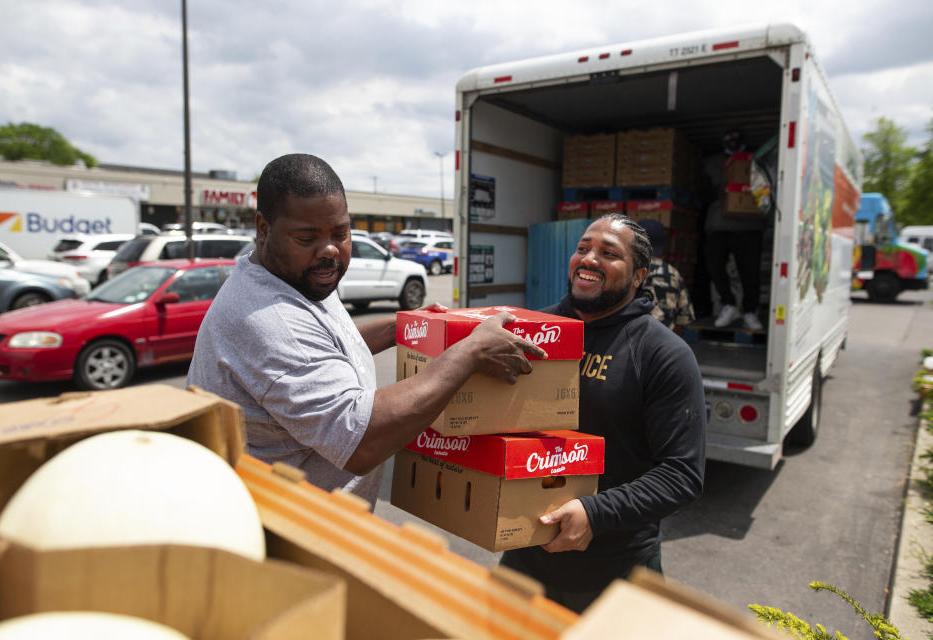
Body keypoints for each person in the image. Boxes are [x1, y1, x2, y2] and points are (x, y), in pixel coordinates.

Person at [186, 153, 546, 507]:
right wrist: (469, 353)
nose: (329, 250)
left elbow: (329, 344)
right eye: (307, 237)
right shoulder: (270, 320)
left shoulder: (294, 277)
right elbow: (360, 441)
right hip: (290, 540)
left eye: (341, 233)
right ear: (263, 229)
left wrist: (398, 326)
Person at [499, 213, 706, 614]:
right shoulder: (531, 331)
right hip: (524, 555)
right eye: (583, 249)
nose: (589, 259)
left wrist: (596, 512)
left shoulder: (663, 354)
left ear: (639, 275)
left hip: (614, 572)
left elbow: (683, 474)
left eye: (608, 253)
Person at [703, 129, 765, 330]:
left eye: (736, 140)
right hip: (718, 225)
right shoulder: (713, 163)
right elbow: (704, 190)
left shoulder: (756, 160)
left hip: (749, 224)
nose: (732, 143)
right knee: (714, 265)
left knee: (750, 272)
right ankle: (729, 304)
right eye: (728, 139)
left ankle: (750, 310)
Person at [637, 218, 695, 332]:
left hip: (631, 341)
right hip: (664, 341)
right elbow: (683, 319)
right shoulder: (673, 273)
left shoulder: (627, 271)